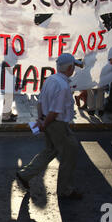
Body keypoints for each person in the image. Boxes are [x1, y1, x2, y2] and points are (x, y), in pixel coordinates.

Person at [16, 53, 83, 200]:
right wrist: (44, 124)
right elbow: (55, 110)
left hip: (48, 121)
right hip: (57, 124)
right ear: (70, 68)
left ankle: (25, 174)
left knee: (50, 150)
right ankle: (65, 190)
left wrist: (41, 119)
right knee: (70, 153)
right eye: (73, 67)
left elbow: (40, 101)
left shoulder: (51, 79)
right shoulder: (63, 86)